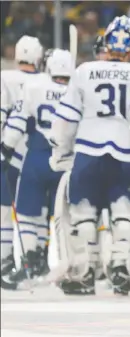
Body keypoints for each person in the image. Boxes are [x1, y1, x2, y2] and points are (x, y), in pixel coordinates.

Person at [48, 15, 130, 296]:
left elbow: (66, 117)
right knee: (124, 212)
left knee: (84, 213)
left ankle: (85, 273)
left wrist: (60, 148)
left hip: (88, 151)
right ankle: (121, 268)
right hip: (128, 153)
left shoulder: (85, 70)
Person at [1, 49, 74, 289]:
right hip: (65, 162)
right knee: (65, 218)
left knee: (27, 213)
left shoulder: (35, 87)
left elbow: (17, 122)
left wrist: (6, 148)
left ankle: (30, 262)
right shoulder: (76, 92)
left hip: (36, 159)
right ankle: (69, 266)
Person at [0, 35, 49, 290]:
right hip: (32, 154)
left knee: (4, 210)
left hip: (7, 151)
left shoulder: (4, 77)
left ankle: (5, 260)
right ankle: (39, 258)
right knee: (36, 211)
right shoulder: (45, 81)